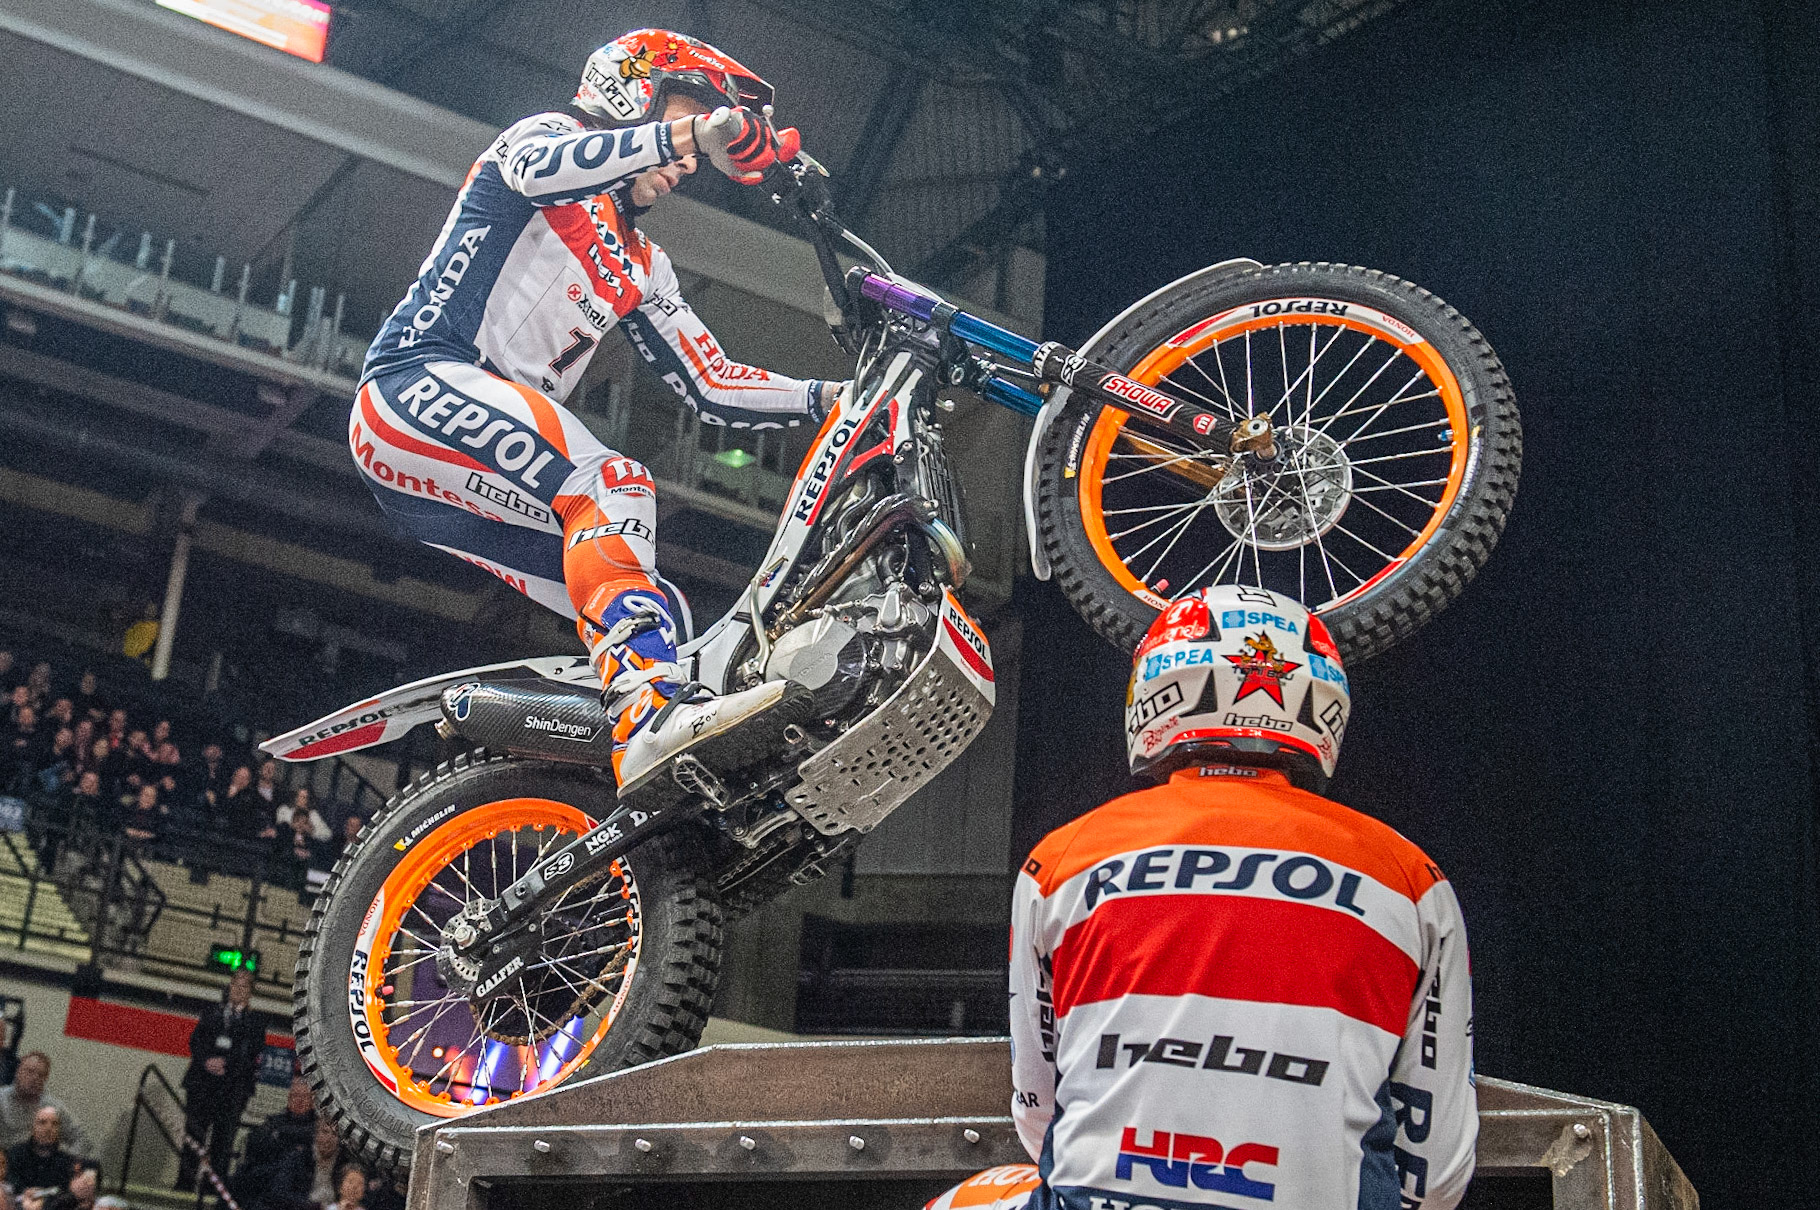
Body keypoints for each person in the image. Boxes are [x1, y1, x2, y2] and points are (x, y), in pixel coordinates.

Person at [353, 28, 843, 796]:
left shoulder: (645, 263)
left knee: (659, 613)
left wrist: (832, 401)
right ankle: (646, 712)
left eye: (696, 137)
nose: (686, 166)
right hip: (415, 385)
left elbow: (713, 384)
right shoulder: (545, 138)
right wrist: (699, 130)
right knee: (612, 481)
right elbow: (540, 172)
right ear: (637, 90)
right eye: (685, 114)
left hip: (460, 472)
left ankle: (601, 743)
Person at [977, 586, 1476, 1210]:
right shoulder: (1411, 878)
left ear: (1157, 694)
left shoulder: (1062, 859)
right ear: (1322, 703)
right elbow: (1438, 1170)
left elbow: (1039, 1112)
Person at [178, 970, 265, 1191]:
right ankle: (185, 1184)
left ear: (250, 992)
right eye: (235, 984)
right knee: (194, 1138)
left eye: (244, 986)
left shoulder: (255, 1021)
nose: (238, 989)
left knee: (222, 1143)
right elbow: (196, 1041)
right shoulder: (211, 1012)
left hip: (231, 1090)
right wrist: (207, 1061)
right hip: (202, 1087)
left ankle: (211, 1190)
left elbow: (252, 1054)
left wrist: (227, 1066)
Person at [0, 1056, 89, 1157]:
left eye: (40, 1075)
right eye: (30, 1071)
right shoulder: (1, 1098)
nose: (34, 1078)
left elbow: (83, 1139)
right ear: (18, 1071)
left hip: (34, 1165)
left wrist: (63, 1163)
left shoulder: (53, 1108)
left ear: (45, 1079)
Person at [4, 1109, 82, 1196]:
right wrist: (24, 1191)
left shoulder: (67, 1161)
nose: (48, 1128)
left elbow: (66, 1192)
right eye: (42, 1122)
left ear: (59, 1130)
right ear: (32, 1128)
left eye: (54, 1124)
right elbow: (9, 1182)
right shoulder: (15, 1154)